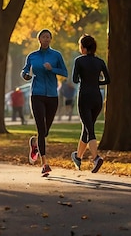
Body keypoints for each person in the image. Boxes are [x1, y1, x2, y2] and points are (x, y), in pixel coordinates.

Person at [21, 29, 68, 177]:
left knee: (45, 130)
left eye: (48, 37)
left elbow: (65, 72)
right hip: (37, 94)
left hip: (53, 95)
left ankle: (34, 143)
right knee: (42, 129)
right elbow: (24, 70)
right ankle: (44, 164)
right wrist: (26, 75)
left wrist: (52, 68)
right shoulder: (32, 56)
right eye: (43, 37)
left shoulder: (56, 55)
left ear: (51, 39)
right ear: (39, 39)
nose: (46, 39)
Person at [71, 34, 111, 173]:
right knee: (87, 128)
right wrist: (96, 82)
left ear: (83, 47)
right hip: (97, 97)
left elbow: (75, 80)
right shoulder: (100, 62)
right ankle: (78, 157)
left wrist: (85, 80)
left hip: (84, 97)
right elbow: (108, 80)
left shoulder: (79, 61)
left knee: (90, 129)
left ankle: (96, 158)